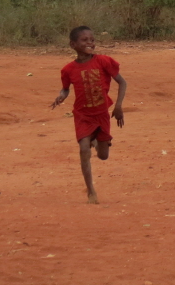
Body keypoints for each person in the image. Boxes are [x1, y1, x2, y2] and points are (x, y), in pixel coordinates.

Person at [50, 26, 127, 204]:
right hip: (83, 115)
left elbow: (122, 82)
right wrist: (61, 96)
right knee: (84, 149)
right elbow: (65, 89)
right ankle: (91, 190)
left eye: (92, 40)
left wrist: (118, 106)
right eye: (84, 40)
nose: (90, 43)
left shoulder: (104, 61)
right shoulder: (68, 69)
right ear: (73, 44)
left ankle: (97, 141)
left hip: (101, 114)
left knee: (103, 156)